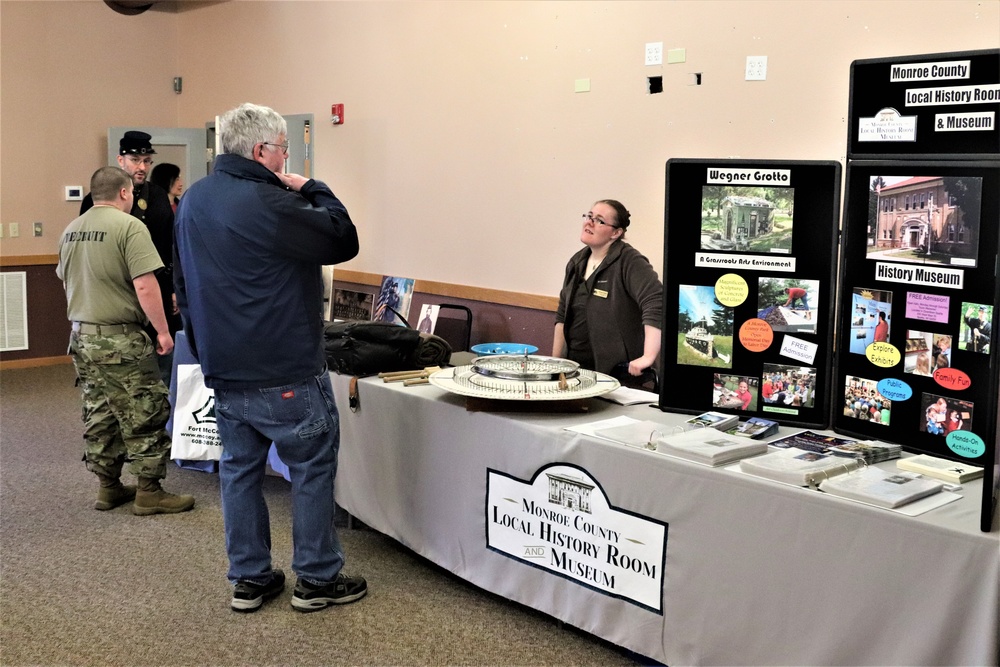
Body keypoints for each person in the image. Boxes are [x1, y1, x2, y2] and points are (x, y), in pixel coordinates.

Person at [174, 102, 366, 614]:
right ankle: (318, 580)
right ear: (262, 151)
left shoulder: (193, 200)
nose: (286, 159)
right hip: (284, 369)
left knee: (239, 472)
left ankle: (250, 579)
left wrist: (205, 347)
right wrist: (311, 186)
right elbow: (342, 238)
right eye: (283, 150)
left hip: (224, 367)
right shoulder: (272, 202)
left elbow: (183, 286)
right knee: (311, 469)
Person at [56, 166, 196, 516]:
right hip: (120, 339)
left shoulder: (71, 230)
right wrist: (162, 331)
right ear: (122, 193)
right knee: (143, 409)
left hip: (82, 337)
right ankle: (149, 491)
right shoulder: (130, 226)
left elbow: (66, 280)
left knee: (99, 410)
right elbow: (145, 284)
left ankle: (108, 487)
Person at [81, 131, 181, 386]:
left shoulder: (158, 196)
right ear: (121, 160)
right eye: (136, 160)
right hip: (117, 295)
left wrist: (173, 290)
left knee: (162, 364)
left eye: (147, 161)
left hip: (155, 287)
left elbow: (169, 245)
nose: (142, 167)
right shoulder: (96, 199)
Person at [552, 200, 662, 381]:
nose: (589, 222)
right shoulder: (577, 262)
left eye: (600, 220)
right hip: (576, 371)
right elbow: (562, 316)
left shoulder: (630, 262)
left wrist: (648, 357)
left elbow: (655, 302)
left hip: (616, 376)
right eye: (589, 216)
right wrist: (555, 364)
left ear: (616, 233)